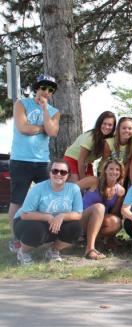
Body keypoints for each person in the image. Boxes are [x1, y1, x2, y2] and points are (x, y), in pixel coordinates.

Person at [8, 74, 60, 253]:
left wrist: (45, 111)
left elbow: (53, 132)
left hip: (42, 162)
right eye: (43, 88)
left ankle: (48, 237)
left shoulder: (54, 111)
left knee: (48, 200)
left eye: (50, 90)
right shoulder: (21, 104)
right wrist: (42, 128)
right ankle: (16, 238)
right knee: (18, 200)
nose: (46, 92)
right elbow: (23, 128)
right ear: (37, 87)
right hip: (20, 160)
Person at [14, 159, 82, 265]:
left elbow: (78, 214)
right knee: (36, 230)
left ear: (68, 175)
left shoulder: (74, 189)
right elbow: (25, 214)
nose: (58, 174)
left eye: (63, 172)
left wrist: (62, 216)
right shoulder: (38, 188)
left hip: (54, 223)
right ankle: (23, 252)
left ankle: (53, 251)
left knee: (75, 228)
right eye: (55, 171)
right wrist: (48, 217)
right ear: (49, 172)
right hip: (26, 221)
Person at [77, 159, 126, 260]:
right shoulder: (93, 181)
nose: (114, 172)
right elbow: (72, 189)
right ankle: (90, 249)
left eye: (117, 169)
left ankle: (95, 240)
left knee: (116, 222)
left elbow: (114, 213)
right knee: (100, 207)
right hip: (81, 218)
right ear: (105, 171)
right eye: (111, 169)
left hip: (98, 222)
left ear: (120, 173)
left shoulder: (120, 190)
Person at [64, 111, 116, 182]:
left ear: (113, 127)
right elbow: (81, 160)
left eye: (110, 125)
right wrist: (83, 180)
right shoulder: (91, 137)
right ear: (99, 123)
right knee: (77, 186)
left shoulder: (110, 140)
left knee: (92, 184)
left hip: (87, 163)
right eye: (104, 124)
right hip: (73, 159)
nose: (107, 127)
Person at [101, 116, 132, 184]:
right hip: (106, 172)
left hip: (122, 173)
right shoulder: (109, 142)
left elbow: (128, 162)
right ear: (118, 129)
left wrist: (122, 178)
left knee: (121, 192)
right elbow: (105, 162)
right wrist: (106, 178)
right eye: (124, 128)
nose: (127, 130)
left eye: (130, 128)